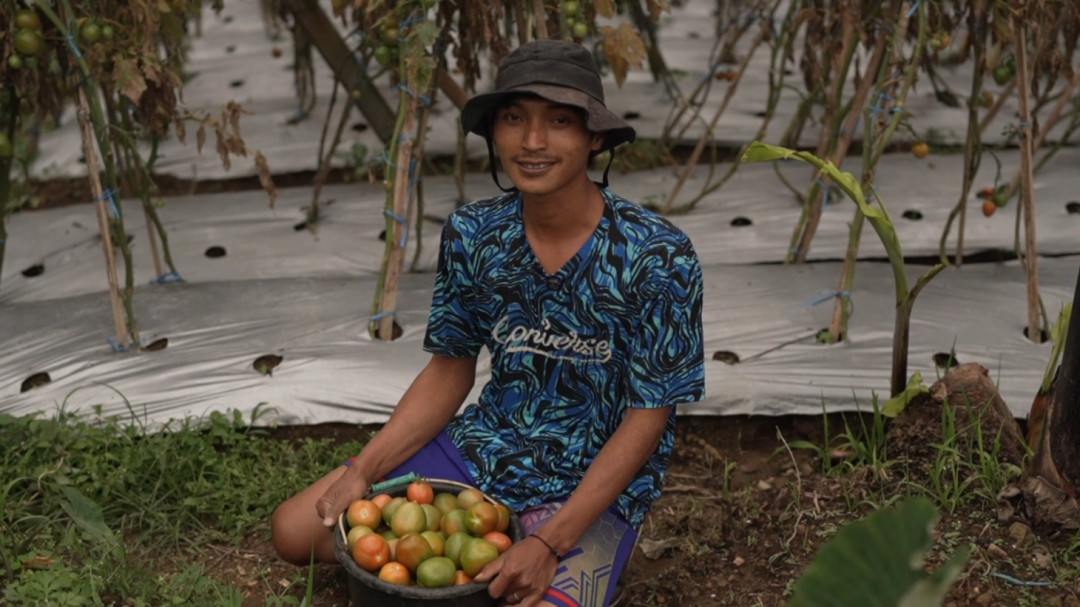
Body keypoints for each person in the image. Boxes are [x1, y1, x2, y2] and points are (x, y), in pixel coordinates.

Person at [271, 38, 705, 607]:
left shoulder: (658, 255)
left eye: (559, 122)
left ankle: (579, 553)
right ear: (494, 131)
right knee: (294, 531)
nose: (531, 142)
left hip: (592, 477)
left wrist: (551, 540)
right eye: (514, 118)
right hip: (490, 446)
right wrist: (366, 467)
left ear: (594, 137)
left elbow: (648, 417)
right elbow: (450, 370)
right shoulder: (475, 236)